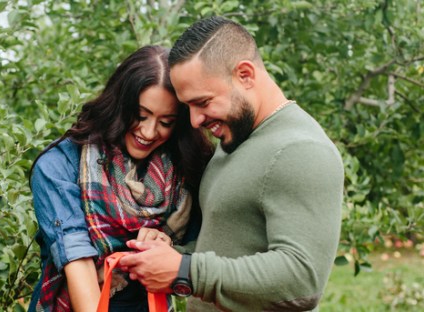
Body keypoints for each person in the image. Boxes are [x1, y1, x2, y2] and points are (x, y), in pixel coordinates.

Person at [118, 17, 344, 311]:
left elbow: (302, 281)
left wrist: (185, 270)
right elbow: (227, 250)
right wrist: (171, 255)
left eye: (203, 102)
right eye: (188, 107)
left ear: (245, 75)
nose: (195, 120)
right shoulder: (235, 138)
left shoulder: (301, 150)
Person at [28, 45, 214, 312]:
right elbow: (76, 260)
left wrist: (165, 247)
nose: (149, 133)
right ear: (119, 105)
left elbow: (201, 257)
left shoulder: (183, 170)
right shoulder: (61, 165)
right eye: (140, 116)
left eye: (166, 122)